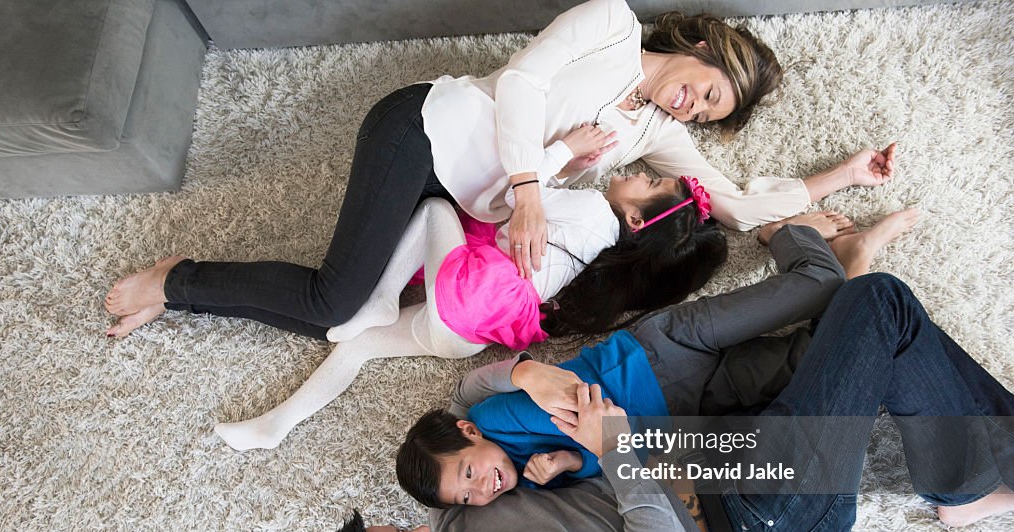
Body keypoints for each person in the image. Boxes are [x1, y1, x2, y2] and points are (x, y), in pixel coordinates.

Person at [310, 270, 1014, 532]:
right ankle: (967, 481)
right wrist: (614, 450)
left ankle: (964, 481)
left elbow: (465, 399)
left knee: (853, 336)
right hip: (761, 516)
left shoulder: (460, 522)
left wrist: (528, 372)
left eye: (406, 526)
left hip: (705, 446)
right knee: (878, 305)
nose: (421, 529)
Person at [103, 0, 894, 339]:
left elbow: (734, 207)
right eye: (707, 89)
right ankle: (177, 280)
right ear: (700, 48)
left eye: (708, 116)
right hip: (419, 132)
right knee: (333, 296)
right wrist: (529, 192)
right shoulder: (611, 25)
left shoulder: (654, 133)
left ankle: (188, 291)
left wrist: (840, 177)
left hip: (457, 202)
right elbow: (521, 81)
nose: (692, 108)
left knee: (354, 321)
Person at [210, 140, 729, 451]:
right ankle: (275, 426)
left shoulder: (595, 211)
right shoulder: (607, 268)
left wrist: (564, 154)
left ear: (636, 218)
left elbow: (514, 195)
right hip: (466, 334)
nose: (639, 172)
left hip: (471, 293)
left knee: (435, 211)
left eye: (648, 182)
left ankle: (379, 298)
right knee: (358, 347)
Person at [394, 211, 914, 506]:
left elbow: (596, 413)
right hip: (694, 404)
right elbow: (607, 454)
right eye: (467, 498)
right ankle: (858, 257)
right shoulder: (531, 478)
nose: (483, 488)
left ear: (468, 435)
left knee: (817, 285)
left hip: (663, 351)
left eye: (468, 474)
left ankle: (786, 233)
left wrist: (582, 448)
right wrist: (571, 462)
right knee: (822, 357)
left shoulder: (491, 417)